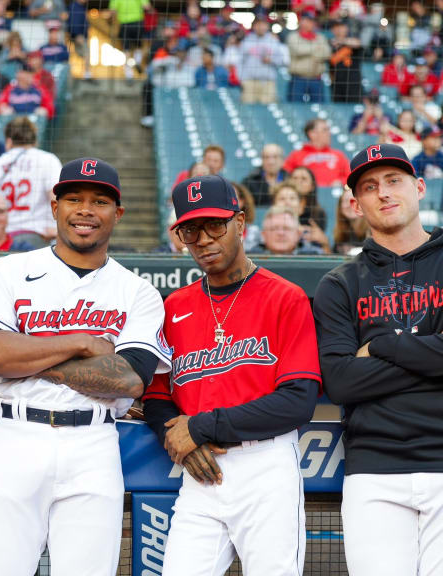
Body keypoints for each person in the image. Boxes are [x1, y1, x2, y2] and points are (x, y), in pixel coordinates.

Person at [0, 156, 169, 575]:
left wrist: (28, 355)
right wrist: (78, 343)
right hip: (13, 437)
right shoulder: (6, 271)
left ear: (118, 213)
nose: (85, 210)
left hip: (93, 445)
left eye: (100, 201)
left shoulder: (139, 292)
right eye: (73, 198)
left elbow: (128, 380)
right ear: (54, 205)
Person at [313, 143, 443, 576]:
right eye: (370, 186)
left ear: (418, 187)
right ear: (356, 205)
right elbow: (339, 381)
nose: (384, 192)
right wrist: (439, 353)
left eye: (394, 181)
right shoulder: (339, 284)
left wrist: (380, 347)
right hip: (376, 467)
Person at [142, 174, 320, 575]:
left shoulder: (284, 296)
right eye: (190, 230)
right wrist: (183, 440)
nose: (203, 239)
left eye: (214, 225)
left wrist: (201, 428)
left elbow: (298, 400)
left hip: (265, 464)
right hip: (199, 471)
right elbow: (156, 397)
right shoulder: (175, 306)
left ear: (240, 224)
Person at [0, 116, 62, 246]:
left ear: (8, 141)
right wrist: (58, 227)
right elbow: (56, 196)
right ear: (34, 140)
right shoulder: (48, 160)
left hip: (4, 242)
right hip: (37, 237)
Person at [283, 118, 351, 187]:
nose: (329, 133)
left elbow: (350, 176)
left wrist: (341, 182)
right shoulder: (296, 155)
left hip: (333, 195)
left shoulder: (339, 155)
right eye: (325, 130)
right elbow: (284, 177)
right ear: (312, 134)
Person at [239, 16, 286, 105]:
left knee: (269, 109)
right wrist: (241, 79)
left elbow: (282, 61)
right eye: (258, 24)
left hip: (268, 81)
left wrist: (271, 60)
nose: (260, 27)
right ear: (254, 26)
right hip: (249, 81)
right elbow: (240, 62)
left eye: (263, 24)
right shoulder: (247, 41)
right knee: (248, 108)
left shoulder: (274, 41)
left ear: (267, 26)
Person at [286, 10, 331, 103]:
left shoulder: (320, 37)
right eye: (307, 20)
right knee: (295, 107)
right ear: (301, 21)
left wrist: (310, 50)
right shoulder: (293, 36)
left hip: (316, 78)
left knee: (319, 107)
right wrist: (316, 47)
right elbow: (298, 50)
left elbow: (327, 53)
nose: (310, 23)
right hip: (298, 78)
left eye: (312, 21)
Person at [272, 181, 329, 252]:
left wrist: (325, 244)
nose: (287, 202)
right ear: (273, 205)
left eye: (292, 198)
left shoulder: (311, 236)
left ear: (300, 205)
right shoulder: (266, 235)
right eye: (282, 199)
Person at [260, 204, 325, 255]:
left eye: (286, 228)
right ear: (263, 234)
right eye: (273, 229)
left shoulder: (315, 255)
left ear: (298, 234)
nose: (280, 233)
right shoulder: (251, 260)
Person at [329, 18, 363, 103]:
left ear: (347, 28)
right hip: (337, 84)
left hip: (353, 83)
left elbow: (358, 43)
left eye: (341, 26)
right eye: (336, 27)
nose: (339, 29)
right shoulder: (329, 44)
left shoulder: (351, 41)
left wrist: (340, 41)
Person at [333, 185, 369, 254]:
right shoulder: (341, 234)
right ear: (340, 207)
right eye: (346, 201)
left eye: (355, 201)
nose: (351, 205)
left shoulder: (372, 231)